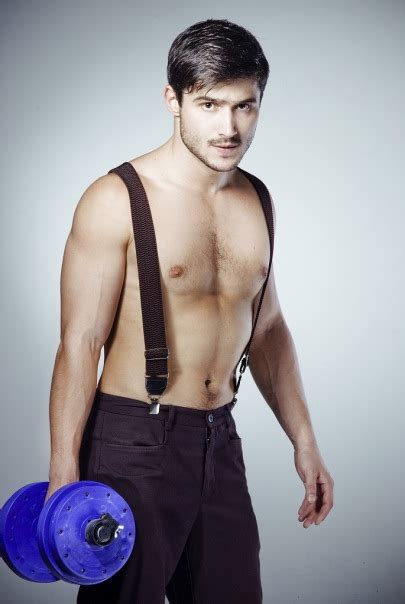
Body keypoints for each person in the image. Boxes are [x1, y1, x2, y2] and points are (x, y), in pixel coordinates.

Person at [45, 18, 334, 604]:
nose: (229, 128)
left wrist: (304, 439)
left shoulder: (257, 199)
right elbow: (79, 343)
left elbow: (268, 329)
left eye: (244, 106)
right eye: (209, 105)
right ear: (172, 101)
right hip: (133, 441)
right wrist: (63, 471)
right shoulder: (115, 199)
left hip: (218, 438)